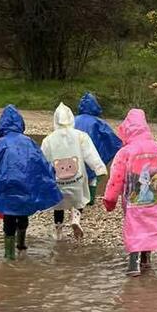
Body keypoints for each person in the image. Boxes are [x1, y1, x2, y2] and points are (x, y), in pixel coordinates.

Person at [0, 104, 61, 259]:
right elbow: (42, 164)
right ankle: (21, 246)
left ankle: (9, 255)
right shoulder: (29, 142)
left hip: (6, 187)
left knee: (9, 218)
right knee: (23, 214)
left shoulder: (0, 144)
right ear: (21, 123)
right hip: (26, 186)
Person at [102, 108, 157, 275]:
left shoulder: (126, 152)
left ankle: (133, 263)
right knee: (150, 226)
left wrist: (110, 199)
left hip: (133, 199)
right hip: (156, 197)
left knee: (134, 227)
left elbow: (116, 177)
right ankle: (146, 259)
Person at [41, 103, 107, 241]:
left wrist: (39, 178)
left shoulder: (48, 140)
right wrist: (99, 168)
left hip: (58, 179)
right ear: (71, 118)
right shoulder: (81, 136)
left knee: (58, 205)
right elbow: (90, 154)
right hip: (77, 178)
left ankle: (58, 231)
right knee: (79, 200)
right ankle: (76, 219)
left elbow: (43, 160)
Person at [73, 91, 123, 205]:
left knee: (75, 173)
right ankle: (90, 199)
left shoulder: (73, 119)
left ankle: (76, 197)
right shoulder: (98, 122)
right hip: (92, 151)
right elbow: (113, 140)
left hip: (74, 151)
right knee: (93, 174)